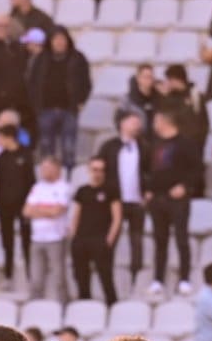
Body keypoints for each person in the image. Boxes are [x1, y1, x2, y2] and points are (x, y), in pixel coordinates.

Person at [146, 110, 201, 298]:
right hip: (157, 199)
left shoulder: (186, 144)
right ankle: (158, 279)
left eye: (156, 121)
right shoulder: (153, 144)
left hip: (177, 200)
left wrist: (185, 186)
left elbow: (197, 169)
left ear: (165, 121)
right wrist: (148, 190)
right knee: (160, 240)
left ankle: (184, 279)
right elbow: (147, 169)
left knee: (181, 239)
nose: (154, 125)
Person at [26, 27, 91, 175]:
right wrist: (36, 106)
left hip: (69, 110)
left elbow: (86, 83)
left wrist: (80, 102)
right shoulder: (41, 59)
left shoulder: (78, 58)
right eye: (56, 39)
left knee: (69, 149)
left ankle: (68, 178)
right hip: (45, 111)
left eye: (62, 39)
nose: (59, 42)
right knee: (46, 149)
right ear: (50, 41)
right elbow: (31, 83)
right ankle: (47, 178)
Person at [96, 111, 148, 282]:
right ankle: (106, 272)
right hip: (115, 201)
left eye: (138, 123)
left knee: (137, 240)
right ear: (122, 124)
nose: (137, 126)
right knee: (111, 237)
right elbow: (100, 170)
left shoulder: (144, 147)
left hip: (136, 201)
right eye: (133, 122)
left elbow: (149, 171)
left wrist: (147, 192)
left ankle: (136, 276)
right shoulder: (109, 146)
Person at [69, 155, 122, 305]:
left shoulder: (111, 190)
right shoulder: (82, 191)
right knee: (81, 275)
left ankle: (112, 305)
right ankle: (84, 305)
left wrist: (109, 239)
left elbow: (117, 218)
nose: (98, 173)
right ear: (89, 170)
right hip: (81, 239)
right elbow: (76, 214)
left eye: (101, 170)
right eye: (94, 169)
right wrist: (74, 236)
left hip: (100, 239)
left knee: (105, 276)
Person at [0, 123, 35, 292]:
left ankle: (31, 275)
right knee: (7, 242)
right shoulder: (0, 158)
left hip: (24, 207)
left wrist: (29, 204)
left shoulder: (26, 154)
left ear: (9, 137)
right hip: (5, 207)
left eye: (0, 137)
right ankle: (8, 276)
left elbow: (31, 181)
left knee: (27, 241)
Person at [23, 155, 72, 302]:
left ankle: (63, 306)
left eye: (47, 168)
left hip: (56, 238)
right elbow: (26, 211)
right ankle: (34, 307)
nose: (43, 171)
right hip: (37, 238)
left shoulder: (64, 187)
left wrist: (37, 210)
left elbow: (57, 212)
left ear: (57, 169)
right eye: (42, 168)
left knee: (59, 277)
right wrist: (47, 212)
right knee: (36, 278)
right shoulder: (37, 187)